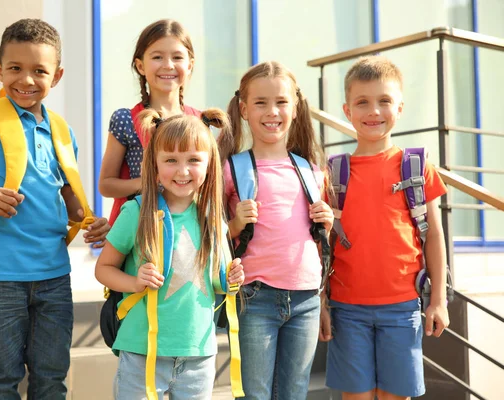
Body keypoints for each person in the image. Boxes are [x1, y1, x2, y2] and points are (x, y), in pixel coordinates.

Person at [0, 18, 109, 399]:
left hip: (55, 274)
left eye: (39, 71)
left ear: (56, 76)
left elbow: (67, 195)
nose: (26, 80)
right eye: (15, 68)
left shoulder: (62, 130)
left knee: (51, 377)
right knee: (1, 379)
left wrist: (90, 221)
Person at [319, 56, 450, 400]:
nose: (373, 111)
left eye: (384, 101)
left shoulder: (417, 168)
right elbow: (320, 246)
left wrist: (438, 300)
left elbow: (434, 235)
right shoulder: (332, 175)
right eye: (362, 102)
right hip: (347, 309)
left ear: (400, 107)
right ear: (347, 110)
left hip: (402, 307)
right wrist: (321, 303)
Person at [95, 108, 245, 400]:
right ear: (154, 164)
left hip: (199, 352)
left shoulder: (212, 217)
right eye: (171, 160)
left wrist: (231, 280)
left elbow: (215, 281)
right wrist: (134, 282)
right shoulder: (136, 212)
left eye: (193, 160)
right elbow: (103, 269)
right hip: (143, 351)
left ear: (209, 164)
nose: (182, 170)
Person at [218, 61, 334, 400]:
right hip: (255, 297)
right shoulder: (232, 169)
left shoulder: (312, 171)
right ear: (243, 109)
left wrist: (326, 222)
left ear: (295, 108)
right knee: (255, 394)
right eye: (260, 103)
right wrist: (236, 224)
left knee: (294, 392)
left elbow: (318, 241)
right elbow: (211, 235)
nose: (272, 111)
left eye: (282, 102)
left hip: (307, 299)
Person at [98, 19, 200, 226]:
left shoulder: (200, 122)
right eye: (157, 57)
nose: (168, 65)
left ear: (190, 65)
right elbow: (106, 185)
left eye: (177, 57)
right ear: (140, 66)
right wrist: (146, 183)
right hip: (138, 230)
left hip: (188, 230)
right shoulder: (125, 120)